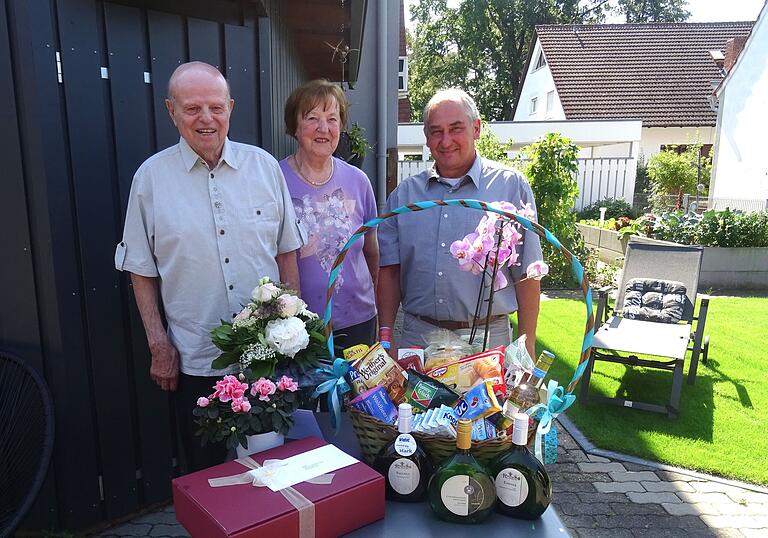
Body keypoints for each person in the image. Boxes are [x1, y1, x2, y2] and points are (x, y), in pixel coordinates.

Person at [115, 61, 303, 472]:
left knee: (272, 470)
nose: (206, 119)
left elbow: (287, 251)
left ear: (231, 107)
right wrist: (158, 345)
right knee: (207, 475)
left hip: (265, 355)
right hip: (196, 358)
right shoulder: (150, 179)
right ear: (171, 110)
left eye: (216, 107)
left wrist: (295, 327)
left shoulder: (265, 168)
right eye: (192, 108)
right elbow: (140, 268)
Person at [377, 88, 542, 357]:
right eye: (436, 131)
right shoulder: (405, 196)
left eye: (456, 128)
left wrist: (527, 347)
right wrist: (386, 339)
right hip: (418, 341)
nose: (446, 141)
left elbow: (527, 273)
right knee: (411, 401)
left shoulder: (510, 187)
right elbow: (389, 272)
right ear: (427, 138)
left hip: (489, 341)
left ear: (476, 128)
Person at [280, 79, 379, 351]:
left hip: (358, 319)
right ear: (295, 127)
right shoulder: (275, 181)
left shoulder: (358, 181)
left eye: (332, 119)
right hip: (298, 326)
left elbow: (371, 251)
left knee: (360, 394)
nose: (323, 128)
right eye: (312, 118)